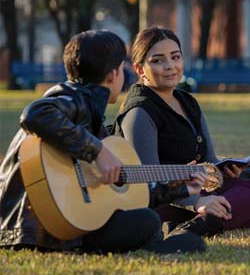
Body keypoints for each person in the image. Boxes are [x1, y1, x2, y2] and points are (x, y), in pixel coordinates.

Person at [0, 30, 207, 253]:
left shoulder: (89, 115)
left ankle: (158, 244)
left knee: (144, 220)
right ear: (112, 75)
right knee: (149, 222)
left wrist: (181, 188)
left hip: (39, 230)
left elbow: (126, 189)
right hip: (35, 230)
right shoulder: (72, 100)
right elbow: (34, 114)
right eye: (123, 69)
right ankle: (159, 246)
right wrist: (98, 151)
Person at [112, 26, 250, 237]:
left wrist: (223, 171)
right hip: (162, 201)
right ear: (139, 69)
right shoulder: (139, 112)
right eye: (157, 60)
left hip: (198, 190)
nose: (170, 66)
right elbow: (148, 183)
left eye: (175, 57)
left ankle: (200, 222)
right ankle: (197, 226)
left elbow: (209, 160)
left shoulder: (188, 102)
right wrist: (197, 201)